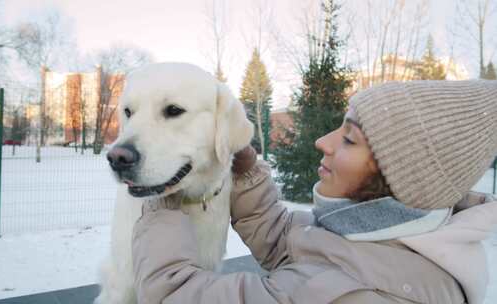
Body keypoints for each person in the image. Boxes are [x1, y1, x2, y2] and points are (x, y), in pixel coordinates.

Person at [131, 80, 497, 304]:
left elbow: (172, 296)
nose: (324, 141)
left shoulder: (345, 296)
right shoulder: (403, 242)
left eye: (349, 138)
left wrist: (161, 197)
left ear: (399, 176)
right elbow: (288, 246)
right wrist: (246, 171)